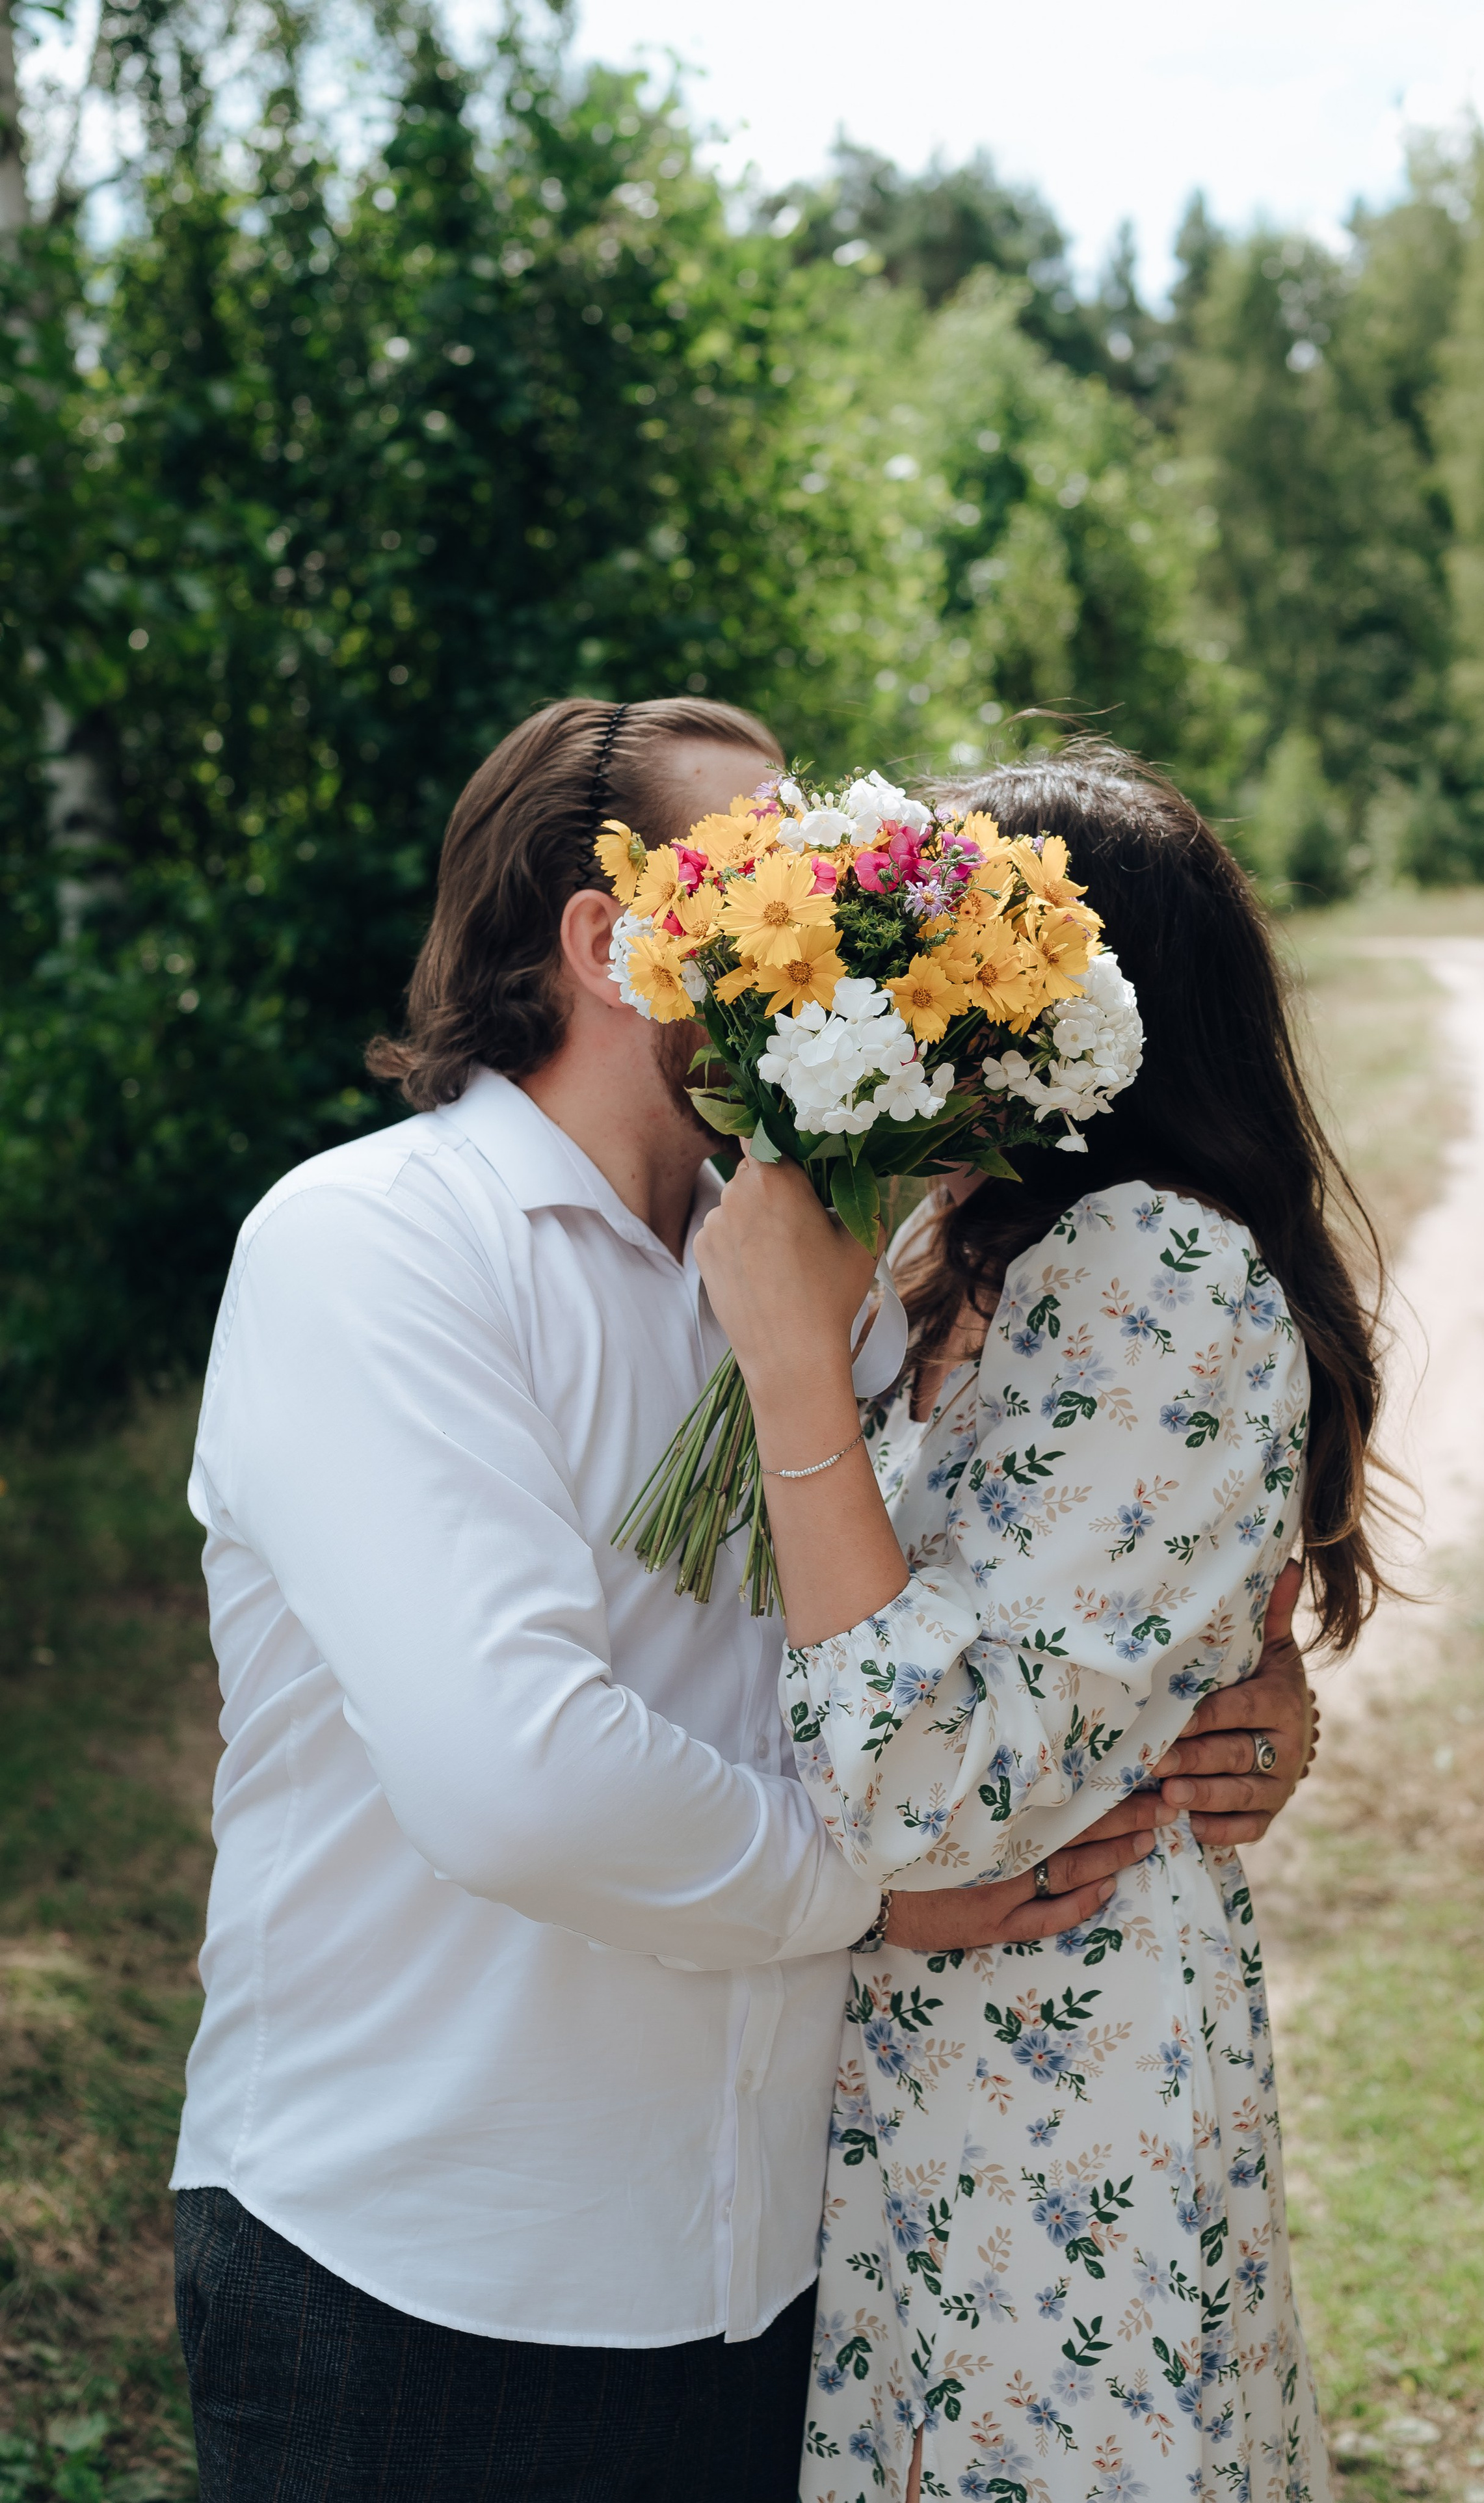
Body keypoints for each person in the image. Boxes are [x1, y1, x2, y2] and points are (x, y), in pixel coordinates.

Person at [172, 699, 1320, 2503]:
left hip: (782, 2276)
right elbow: (524, 1783)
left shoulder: (827, 1272)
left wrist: (1227, 1700)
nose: (838, 920)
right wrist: (881, 1899)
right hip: (428, 2279)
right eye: (767, 877)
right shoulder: (377, 1249)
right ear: (605, 942)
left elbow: (996, 1602)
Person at [693, 743, 1384, 2503]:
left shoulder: (1155, 1265)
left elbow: (931, 1787)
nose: (903, 1013)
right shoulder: (955, 1252)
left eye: (947, 966)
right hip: (929, 2078)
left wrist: (792, 1371)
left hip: (1052, 2092)